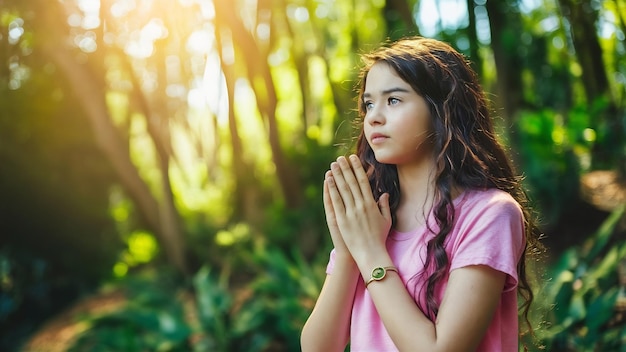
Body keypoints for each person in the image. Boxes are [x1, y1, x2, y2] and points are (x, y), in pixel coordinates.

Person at [300, 36, 542, 352]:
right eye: (369, 104)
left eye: (394, 100)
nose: (373, 116)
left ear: (442, 108)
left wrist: (371, 253)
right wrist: (348, 251)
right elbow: (317, 348)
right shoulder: (373, 220)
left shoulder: (490, 214)